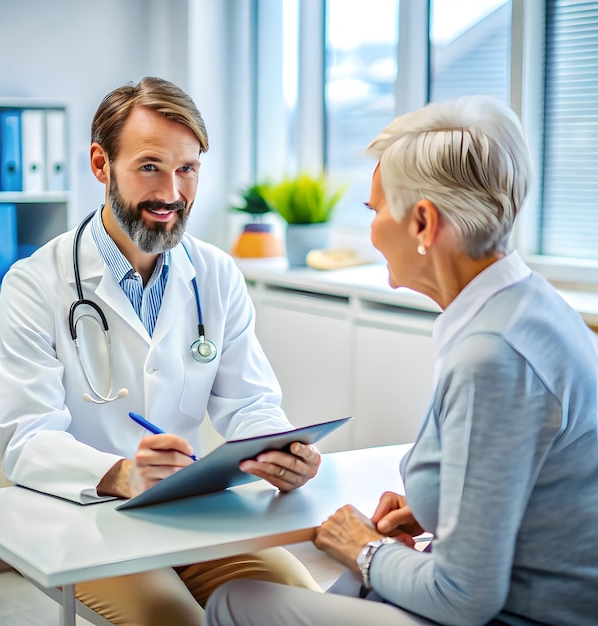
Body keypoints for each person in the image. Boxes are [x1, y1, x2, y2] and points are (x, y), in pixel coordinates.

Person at [204, 95, 598, 625]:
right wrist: (442, 513)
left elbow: (465, 598)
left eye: (374, 210)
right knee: (343, 589)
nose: (370, 229)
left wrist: (364, 548)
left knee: (237, 601)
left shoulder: (493, 357)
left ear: (422, 224)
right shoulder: (533, 306)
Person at [0, 76, 322, 626]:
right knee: (177, 620)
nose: (172, 191)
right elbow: (26, 441)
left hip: (189, 514)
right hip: (84, 520)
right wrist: (124, 473)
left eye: (187, 169)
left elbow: (250, 402)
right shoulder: (34, 283)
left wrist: (276, 450)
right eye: (150, 166)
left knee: (299, 607)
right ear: (101, 164)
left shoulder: (215, 274)